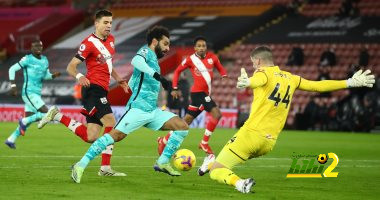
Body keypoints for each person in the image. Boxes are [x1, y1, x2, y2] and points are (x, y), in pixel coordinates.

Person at [198, 46, 375, 193]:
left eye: (253, 63)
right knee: (230, 158)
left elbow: (257, 80)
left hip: (250, 135)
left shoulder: (263, 74)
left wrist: (248, 82)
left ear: (258, 61)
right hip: (269, 142)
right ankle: (210, 162)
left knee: (217, 172)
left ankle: (240, 183)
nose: (253, 66)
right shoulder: (290, 78)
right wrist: (349, 82)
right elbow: (317, 86)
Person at [70, 25, 190, 183]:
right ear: (155, 41)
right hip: (138, 109)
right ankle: (80, 165)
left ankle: (162, 162)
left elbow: (137, 77)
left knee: (182, 126)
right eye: (165, 43)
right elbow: (136, 61)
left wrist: (130, 84)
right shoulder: (146, 52)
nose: (168, 48)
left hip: (152, 111)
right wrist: (159, 77)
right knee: (115, 136)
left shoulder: (154, 61)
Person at [38, 10, 128, 177]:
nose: (109, 26)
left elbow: (109, 64)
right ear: (96, 23)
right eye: (105, 23)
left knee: (91, 136)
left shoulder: (111, 40)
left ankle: (57, 116)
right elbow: (71, 67)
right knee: (111, 121)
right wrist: (80, 76)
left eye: (110, 23)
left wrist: (118, 78)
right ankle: (105, 168)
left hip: (102, 89)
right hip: (92, 89)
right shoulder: (88, 43)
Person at [157, 36, 227, 168]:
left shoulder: (213, 57)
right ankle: (204, 143)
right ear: (195, 48)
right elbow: (177, 71)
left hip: (205, 94)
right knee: (217, 114)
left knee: (185, 122)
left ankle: (164, 140)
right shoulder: (190, 59)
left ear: (206, 47)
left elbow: (220, 67)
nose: (201, 48)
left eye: (203, 46)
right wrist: (175, 87)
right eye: (199, 46)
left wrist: (223, 75)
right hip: (197, 94)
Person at [4, 40, 60, 149]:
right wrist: (13, 86)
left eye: (40, 45)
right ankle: (23, 121)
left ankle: (11, 139)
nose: (38, 47)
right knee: (48, 113)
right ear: (31, 48)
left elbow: (46, 76)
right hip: (28, 92)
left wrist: (53, 76)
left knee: (30, 120)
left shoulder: (45, 60)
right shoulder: (27, 59)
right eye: (35, 46)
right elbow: (12, 69)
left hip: (36, 93)